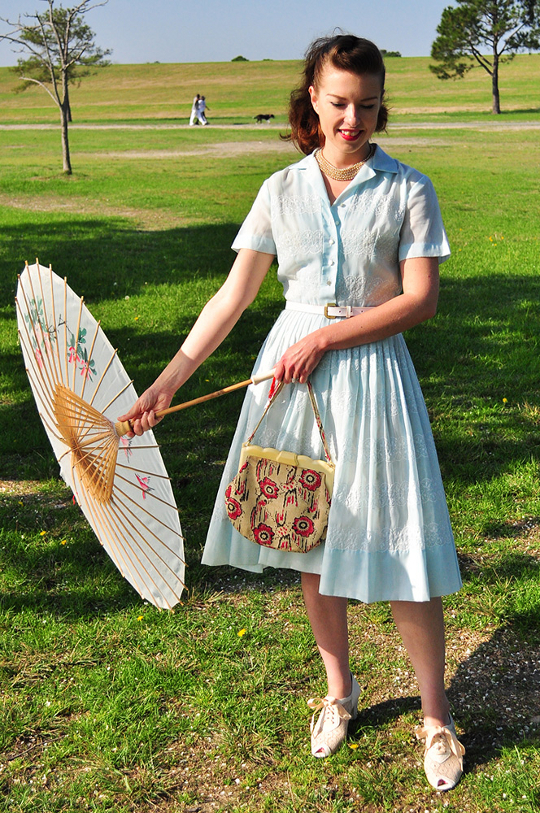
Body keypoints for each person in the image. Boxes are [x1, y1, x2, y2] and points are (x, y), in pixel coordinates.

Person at [119, 34, 465, 791]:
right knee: (306, 536)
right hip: (290, 380)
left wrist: (330, 335)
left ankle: (435, 715)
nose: (353, 120)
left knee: (399, 543)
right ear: (313, 96)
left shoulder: (409, 188)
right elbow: (233, 296)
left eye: (368, 106)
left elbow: (419, 300)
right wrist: (171, 379)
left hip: (371, 375)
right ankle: (338, 693)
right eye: (339, 103)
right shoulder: (280, 189)